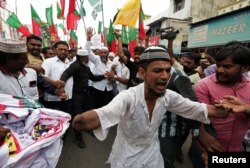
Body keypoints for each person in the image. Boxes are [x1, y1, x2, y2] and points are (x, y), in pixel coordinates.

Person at [72, 46, 231, 168]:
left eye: (168, 70)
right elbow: (102, 114)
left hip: (153, 158)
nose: (164, 76)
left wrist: (226, 109)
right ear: (142, 73)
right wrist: (79, 121)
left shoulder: (168, 96)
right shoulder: (129, 97)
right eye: (157, 70)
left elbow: (197, 109)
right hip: (126, 160)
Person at [194, 41, 250, 167]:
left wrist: (245, 108)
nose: (220, 70)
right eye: (218, 65)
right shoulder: (203, 86)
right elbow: (196, 116)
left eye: (227, 66)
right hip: (208, 150)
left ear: (245, 68)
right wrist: (202, 135)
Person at [60, 49, 106, 148]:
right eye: (87, 57)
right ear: (82, 57)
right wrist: (61, 85)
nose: (88, 58)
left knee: (88, 112)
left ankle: (88, 128)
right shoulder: (75, 66)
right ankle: (78, 137)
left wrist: (104, 76)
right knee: (77, 115)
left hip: (86, 94)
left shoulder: (86, 68)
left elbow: (93, 77)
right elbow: (65, 74)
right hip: (77, 95)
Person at [0, 39, 65, 101]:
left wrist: (56, 92)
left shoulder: (32, 72)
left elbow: (44, 84)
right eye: (23, 59)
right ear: (9, 60)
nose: (27, 61)